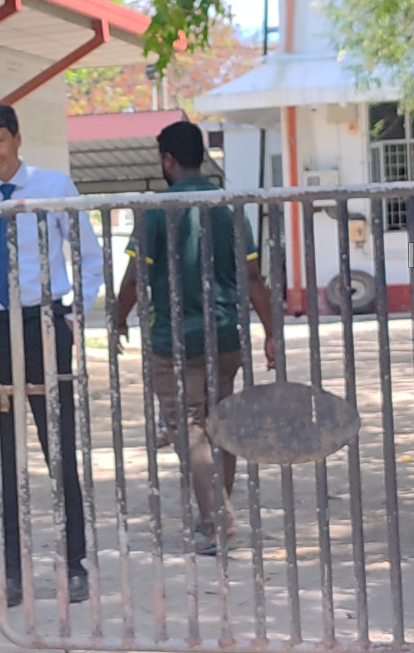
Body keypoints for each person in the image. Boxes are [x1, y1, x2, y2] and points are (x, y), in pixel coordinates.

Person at [0, 104, 103, 608]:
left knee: (60, 451)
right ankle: (11, 570)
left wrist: (76, 312)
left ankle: (75, 564)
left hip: (44, 324)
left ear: (16, 138)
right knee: (3, 457)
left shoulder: (55, 186)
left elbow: (87, 254)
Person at [113, 121, 276, 556]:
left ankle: (216, 521)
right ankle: (213, 517)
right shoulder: (228, 207)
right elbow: (254, 277)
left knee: (189, 430)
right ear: (202, 156)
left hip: (173, 340)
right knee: (221, 426)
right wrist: (271, 333)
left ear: (166, 159)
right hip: (225, 336)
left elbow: (135, 277)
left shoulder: (154, 209)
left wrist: (117, 319)